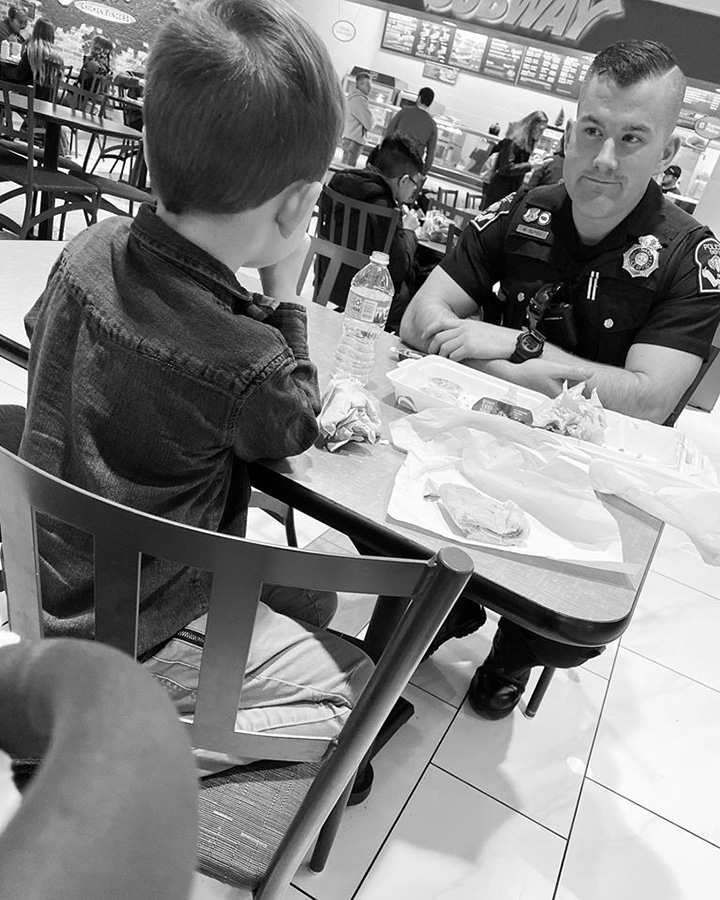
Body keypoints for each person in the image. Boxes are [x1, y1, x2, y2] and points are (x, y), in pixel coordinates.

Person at [17, 0, 372, 763]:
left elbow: (35, 330)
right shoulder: (251, 359)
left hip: (45, 579)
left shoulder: (87, 249)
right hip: (141, 623)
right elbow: (296, 425)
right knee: (354, 690)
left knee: (316, 599)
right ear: (297, 206)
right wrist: (286, 296)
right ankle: (128, 736)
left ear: (149, 142)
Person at [400, 39, 720, 720]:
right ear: (570, 129)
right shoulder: (526, 205)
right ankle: (457, 612)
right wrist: (516, 360)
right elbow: (420, 317)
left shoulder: (692, 256)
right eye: (593, 130)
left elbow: (650, 397)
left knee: (571, 631)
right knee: (386, 537)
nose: (605, 159)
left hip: (591, 487)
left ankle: (512, 653)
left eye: (633, 138)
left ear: (670, 153)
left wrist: (511, 346)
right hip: (481, 447)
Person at [321, 133, 424, 332]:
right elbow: (397, 269)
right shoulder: (383, 206)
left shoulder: (339, 183)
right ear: (403, 181)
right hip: (364, 297)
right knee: (414, 295)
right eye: (415, 183)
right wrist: (409, 231)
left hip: (328, 278)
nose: (414, 190)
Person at [480, 109, 549, 209]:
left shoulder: (523, 142)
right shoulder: (515, 141)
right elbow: (506, 168)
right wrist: (531, 165)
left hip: (507, 189)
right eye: (541, 129)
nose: (542, 133)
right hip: (500, 190)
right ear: (532, 126)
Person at [385, 87, 438, 176]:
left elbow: (389, 130)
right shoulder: (432, 124)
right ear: (430, 103)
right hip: (413, 164)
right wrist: (424, 172)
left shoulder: (404, 111)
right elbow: (431, 153)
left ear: (419, 98)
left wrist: (385, 151)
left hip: (395, 155)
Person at [12, 18, 64, 101]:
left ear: (36, 31)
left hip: (27, 97)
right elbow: (59, 80)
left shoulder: (32, 49)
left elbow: (20, 75)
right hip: (49, 101)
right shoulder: (58, 56)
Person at [341, 71, 373, 166]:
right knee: (346, 169)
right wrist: (372, 119)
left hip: (350, 138)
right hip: (354, 141)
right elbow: (369, 124)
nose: (370, 87)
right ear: (359, 85)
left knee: (345, 167)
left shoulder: (354, 98)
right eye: (367, 84)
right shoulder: (359, 100)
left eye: (370, 84)